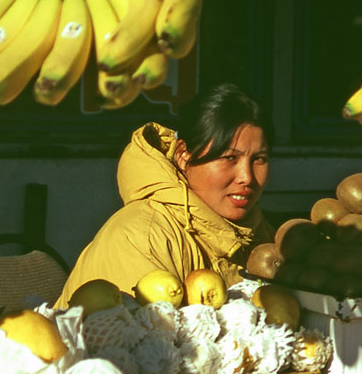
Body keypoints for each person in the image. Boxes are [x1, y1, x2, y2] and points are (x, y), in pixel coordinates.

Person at [54, 83, 276, 307]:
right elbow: (139, 336)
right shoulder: (142, 236)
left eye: (259, 159)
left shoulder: (259, 233)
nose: (247, 177)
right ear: (183, 156)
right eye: (229, 158)